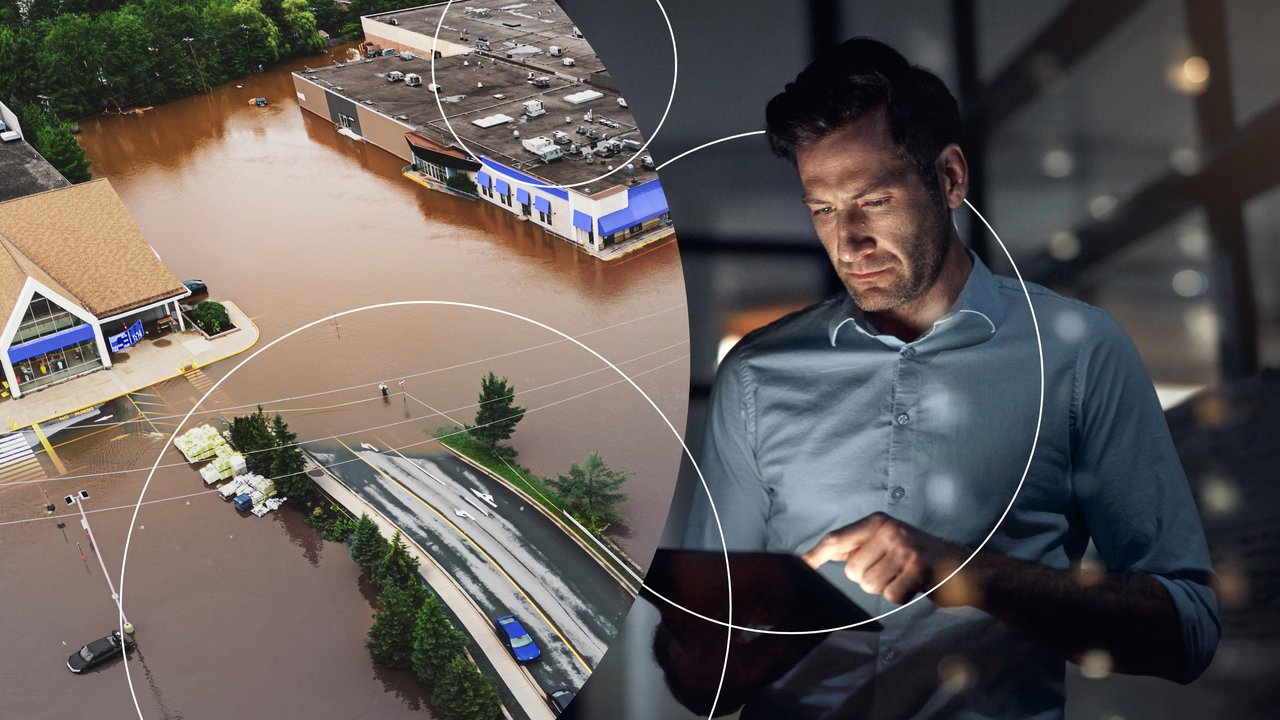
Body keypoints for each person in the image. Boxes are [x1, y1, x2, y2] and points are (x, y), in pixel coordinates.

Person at [675, 38, 1219, 719]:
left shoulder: (1079, 355)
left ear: (951, 179)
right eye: (822, 209)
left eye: (873, 200)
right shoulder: (756, 374)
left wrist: (969, 576)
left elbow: (1188, 630)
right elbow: (703, 664)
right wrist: (705, 657)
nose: (848, 242)